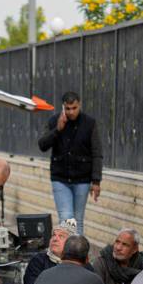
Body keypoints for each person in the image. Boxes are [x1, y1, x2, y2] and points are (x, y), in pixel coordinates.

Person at [37, 91, 103, 233]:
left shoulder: (90, 123)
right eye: (68, 108)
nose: (71, 112)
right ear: (63, 107)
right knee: (66, 219)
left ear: (79, 105)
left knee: (78, 220)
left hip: (82, 179)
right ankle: (68, 246)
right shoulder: (54, 121)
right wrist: (57, 130)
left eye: (74, 108)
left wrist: (96, 181)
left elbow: (97, 153)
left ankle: (77, 247)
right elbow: (42, 145)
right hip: (60, 178)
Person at [22, 219, 74, 284]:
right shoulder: (38, 261)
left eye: (61, 236)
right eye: (53, 235)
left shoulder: (79, 263)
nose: (55, 239)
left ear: (71, 243)